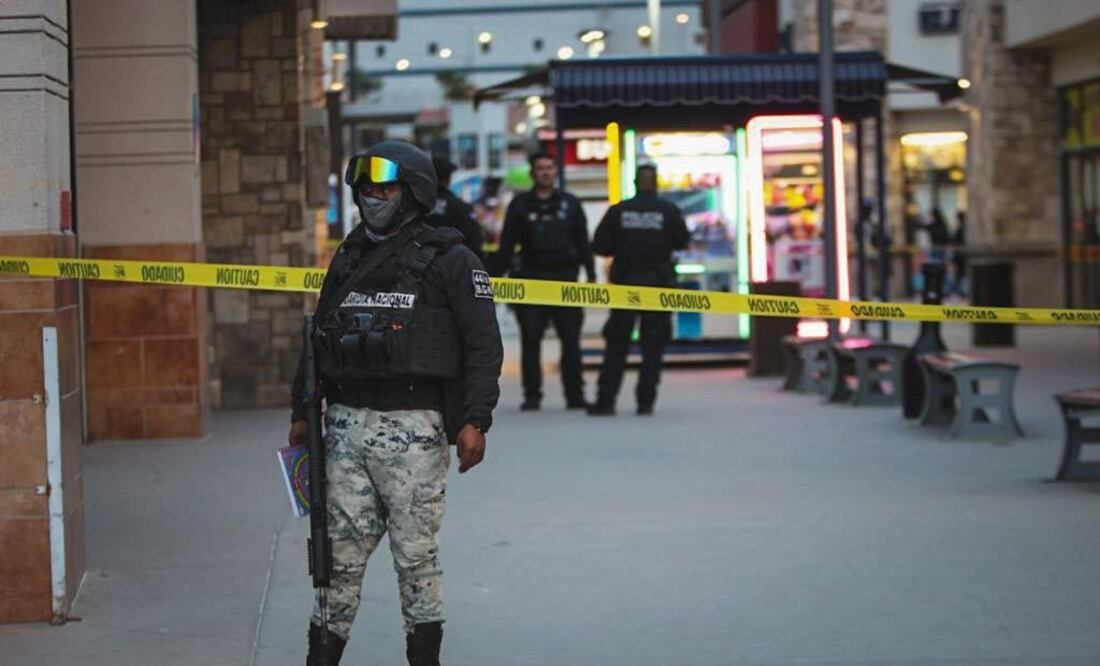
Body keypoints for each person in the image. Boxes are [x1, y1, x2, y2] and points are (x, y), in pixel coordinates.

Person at [288, 140, 503, 666]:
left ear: (413, 192)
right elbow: (319, 333)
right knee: (335, 560)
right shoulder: (351, 252)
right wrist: (301, 409)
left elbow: (482, 344)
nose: (370, 197)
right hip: (343, 426)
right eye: (364, 189)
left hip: (413, 428)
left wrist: (476, 419)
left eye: (382, 188)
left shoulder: (452, 258)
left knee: (415, 559)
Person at [490, 152, 595, 411]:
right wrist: (493, 280)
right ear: (532, 173)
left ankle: (575, 394)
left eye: (549, 167)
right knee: (531, 341)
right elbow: (507, 244)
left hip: (565, 281)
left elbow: (583, 241)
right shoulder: (520, 205)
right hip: (530, 281)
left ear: (555, 171)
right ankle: (532, 395)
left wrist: (591, 275)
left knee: (571, 341)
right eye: (540, 168)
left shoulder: (570, 204)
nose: (545, 172)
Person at [587, 164, 690, 416]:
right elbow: (683, 242)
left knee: (617, 345)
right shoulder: (668, 211)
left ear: (634, 182)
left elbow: (600, 245)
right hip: (658, 287)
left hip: (625, 287)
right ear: (656, 183)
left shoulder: (619, 211)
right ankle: (645, 402)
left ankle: (606, 400)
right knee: (653, 347)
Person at [429, 156, 484, 262]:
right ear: (448, 178)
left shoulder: (418, 204)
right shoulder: (459, 206)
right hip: (451, 264)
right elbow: (474, 240)